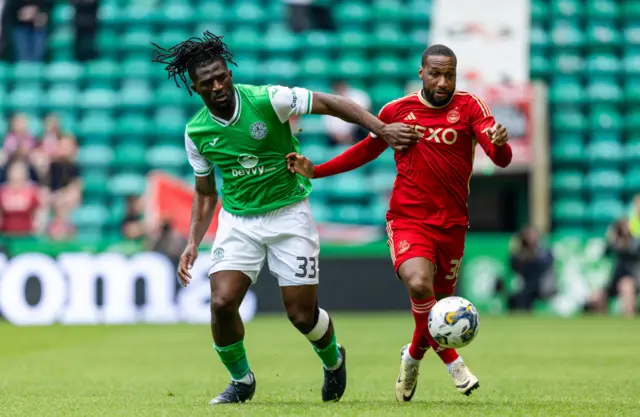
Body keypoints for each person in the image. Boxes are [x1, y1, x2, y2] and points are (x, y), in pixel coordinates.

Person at [151, 31, 418, 405]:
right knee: (221, 303)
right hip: (239, 223)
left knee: (301, 315)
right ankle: (241, 381)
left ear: (229, 73)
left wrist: (381, 129)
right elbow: (206, 191)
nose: (219, 85)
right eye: (208, 82)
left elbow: (329, 102)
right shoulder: (196, 132)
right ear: (196, 89)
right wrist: (193, 241)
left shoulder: (268, 99)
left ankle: (333, 358)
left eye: (222, 76)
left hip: (288, 214)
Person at [286, 44, 513, 401]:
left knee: (437, 311)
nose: (442, 82)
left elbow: (499, 158)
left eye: (449, 75)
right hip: (408, 220)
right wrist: (317, 171)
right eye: (435, 74)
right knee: (419, 284)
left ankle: (412, 357)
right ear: (421, 73)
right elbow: (365, 150)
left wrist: (500, 144)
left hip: (452, 225)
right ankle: (456, 366)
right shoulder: (398, 110)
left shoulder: (470, 106)